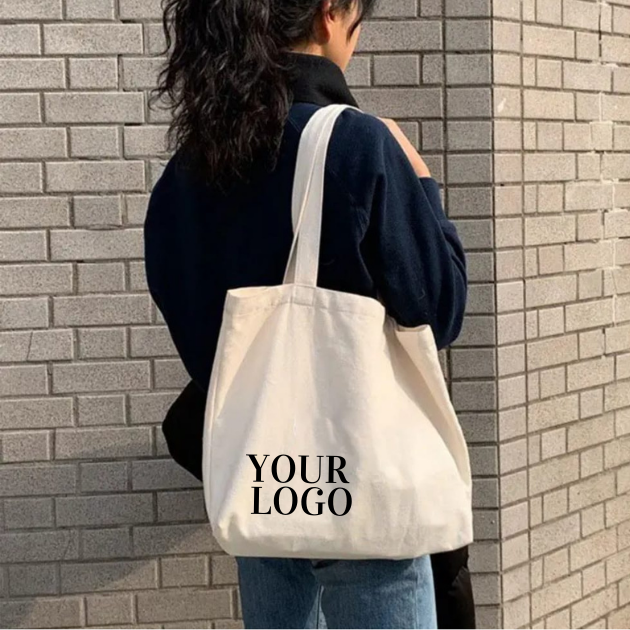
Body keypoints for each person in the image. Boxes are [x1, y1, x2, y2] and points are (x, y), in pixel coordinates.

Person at [144, 1, 469, 628]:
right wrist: (422, 182)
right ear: (329, 14)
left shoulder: (193, 164)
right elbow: (440, 308)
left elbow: (190, 316)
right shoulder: (359, 142)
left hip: (264, 489)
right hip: (364, 494)